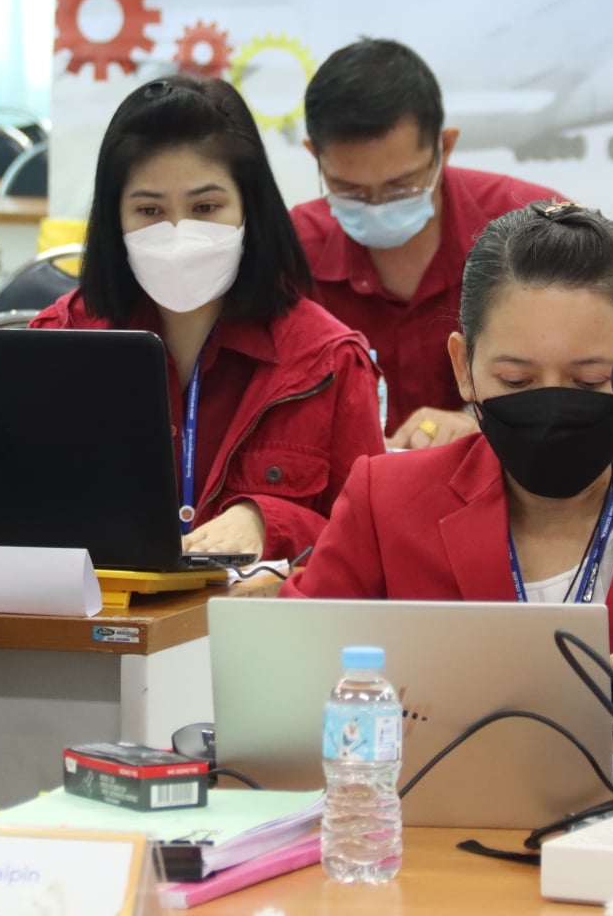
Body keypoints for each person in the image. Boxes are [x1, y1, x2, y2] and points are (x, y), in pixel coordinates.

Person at [284, 202, 613, 752]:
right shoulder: (384, 503)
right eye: (516, 380)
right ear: (463, 366)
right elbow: (288, 687)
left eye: (590, 380)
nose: (553, 407)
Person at [30, 76, 384, 562]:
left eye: (205, 207)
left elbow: (372, 548)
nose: (179, 233)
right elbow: (11, 517)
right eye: (149, 210)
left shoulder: (329, 363)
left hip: (256, 612)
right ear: (115, 220)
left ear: (249, 209)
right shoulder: (59, 341)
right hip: (101, 610)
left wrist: (269, 521)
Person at [291, 39, 559, 451]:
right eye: (349, 189)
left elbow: (609, 396)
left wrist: (490, 426)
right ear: (315, 156)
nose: (376, 206)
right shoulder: (291, 252)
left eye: (401, 186)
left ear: (444, 147)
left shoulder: (537, 229)